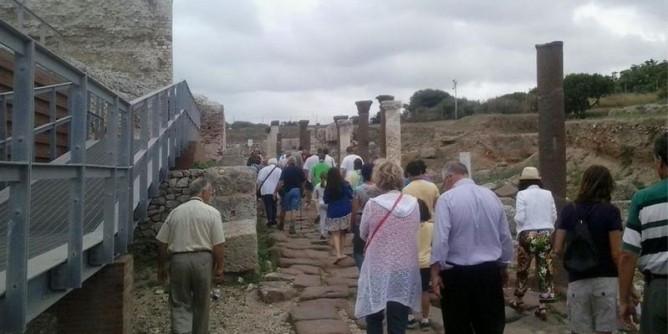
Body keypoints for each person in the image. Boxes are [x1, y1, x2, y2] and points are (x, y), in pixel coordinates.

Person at [430, 161, 513, 334]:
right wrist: (504, 264)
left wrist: (436, 270)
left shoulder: (446, 199)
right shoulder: (491, 196)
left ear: (449, 177)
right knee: (491, 325)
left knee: (457, 325)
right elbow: (504, 235)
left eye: (444, 181)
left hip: (456, 275)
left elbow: (441, 239)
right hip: (489, 272)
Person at [553, 165, 623, 334]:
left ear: (584, 183)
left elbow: (557, 248)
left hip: (577, 282)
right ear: (608, 186)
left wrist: (575, 260)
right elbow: (616, 252)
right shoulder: (611, 212)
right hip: (606, 281)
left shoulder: (569, 210)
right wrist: (627, 284)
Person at [355, 159, 421, 334]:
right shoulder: (413, 204)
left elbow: (363, 233)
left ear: (378, 179)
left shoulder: (373, 205)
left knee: (374, 315)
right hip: (404, 266)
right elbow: (415, 229)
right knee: (398, 316)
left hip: (378, 265)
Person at [156, 178, 225, 334]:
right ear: (204, 192)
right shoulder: (212, 213)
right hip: (203, 260)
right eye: (210, 192)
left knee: (180, 302)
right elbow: (218, 244)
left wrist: (161, 266)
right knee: (202, 303)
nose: (211, 195)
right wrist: (220, 267)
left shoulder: (175, 212)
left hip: (178, 260)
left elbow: (162, 243)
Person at [619, 132, 668, 334]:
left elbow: (628, 255)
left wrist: (624, 300)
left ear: (659, 161)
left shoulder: (643, 199)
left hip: (661, 291)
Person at [509, 166, 557, 320]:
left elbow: (520, 217)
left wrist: (520, 226)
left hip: (527, 235)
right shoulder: (548, 194)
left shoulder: (522, 194)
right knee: (545, 270)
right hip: (545, 234)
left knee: (523, 268)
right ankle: (543, 305)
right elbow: (554, 215)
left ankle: (519, 300)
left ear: (524, 181)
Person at [350, 163, 381, 270]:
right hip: (378, 222)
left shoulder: (358, 190)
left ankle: (363, 271)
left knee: (358, 251)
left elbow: (354, 210)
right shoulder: (381, 189)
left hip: (361, 221)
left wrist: (352, 224)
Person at [324, 167, 354, 263]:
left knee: (335, 233)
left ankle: (337, 253)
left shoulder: (329, 187)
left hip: (333, 211)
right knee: (343, 232)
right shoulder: (345, 184)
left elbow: (325, 200)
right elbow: (351, 194)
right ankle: (341, 252)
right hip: (345, 210)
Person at [276, 156, 305, 234]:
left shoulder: (285, 170)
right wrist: (302, 191)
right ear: (295, 162)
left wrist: (276, 191)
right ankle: (292, 226)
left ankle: (281, 224)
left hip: (286, 191)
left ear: (288, 162)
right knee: (294, 209)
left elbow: (281, 181)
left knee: (283, 208)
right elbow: (303, 182)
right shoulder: (299, 170)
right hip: (296, 190)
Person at [257, 158, 282, 228]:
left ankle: (270, 219)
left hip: (265, 190)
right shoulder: (279, 170)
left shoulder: (263, 170)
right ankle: (273, 219)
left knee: (268, 205)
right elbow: (281, 180)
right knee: (274, 205)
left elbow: (259, 180)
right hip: (274, 191)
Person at [313, 171, 328, 240]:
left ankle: (322, 233)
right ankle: (328, 231)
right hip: (328, 203)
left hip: (321, 203)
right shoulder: (330, 185)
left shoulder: (317, 185)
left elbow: (315, 197)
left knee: (322, 219)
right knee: (328, 218)